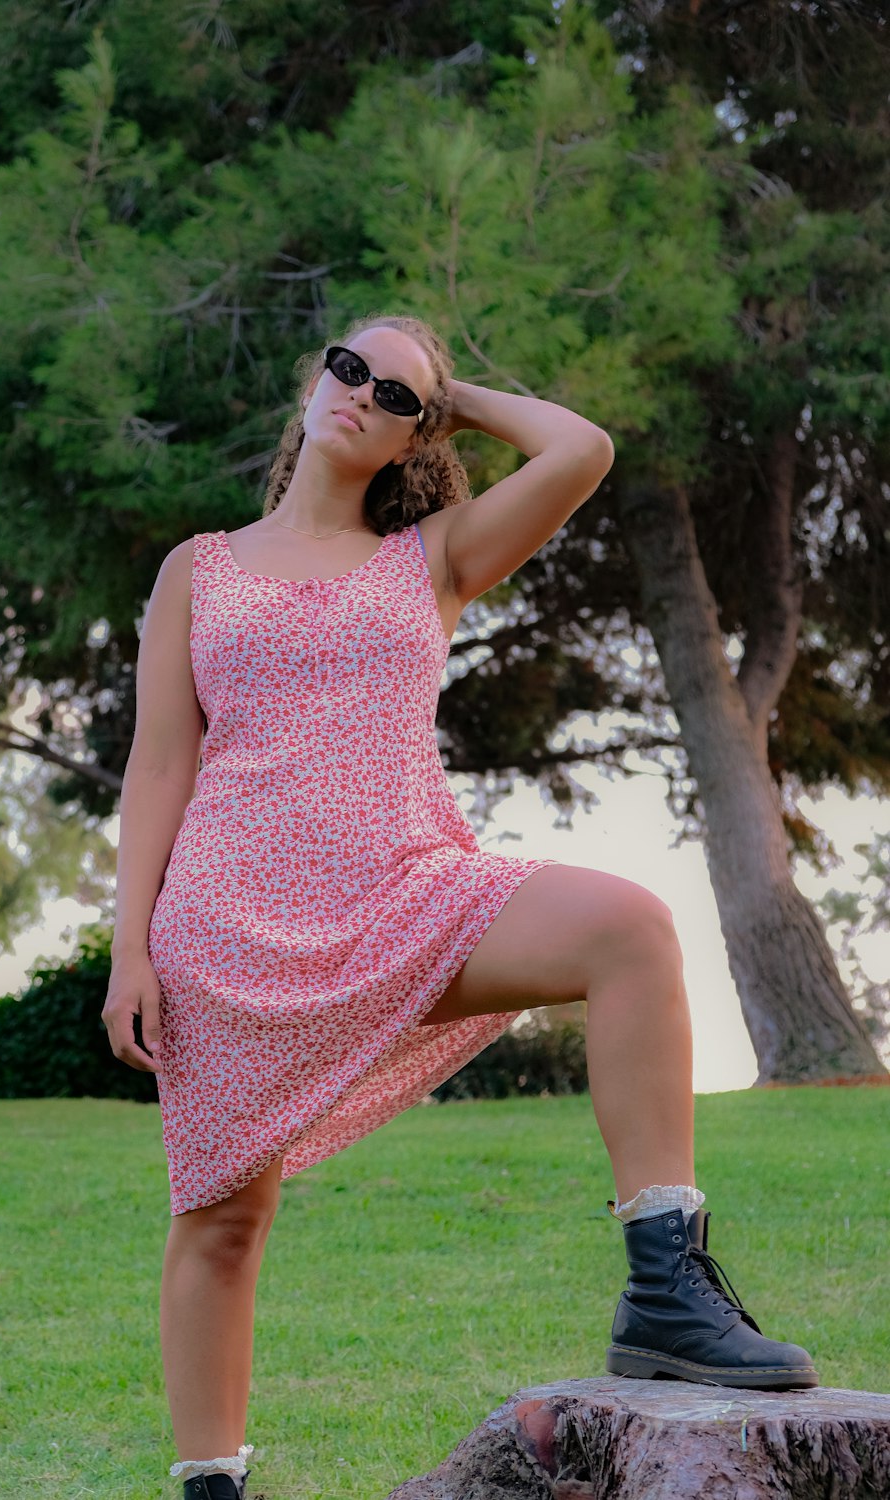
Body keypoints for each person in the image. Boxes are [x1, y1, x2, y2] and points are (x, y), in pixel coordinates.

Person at [102, 313, 819, 1500]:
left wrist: (453, 391)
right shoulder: (199, 569)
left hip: (404, 890)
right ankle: (211, 1485)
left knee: (629, 927)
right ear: (307, 373)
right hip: (223, 930)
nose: (359, 394)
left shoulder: (432, 557)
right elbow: (160, 766)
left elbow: (580, 450)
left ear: (412, 434)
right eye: (344, 366)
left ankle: (663, 1287)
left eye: (392, 395)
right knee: (222, 1224)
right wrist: (131, 947)